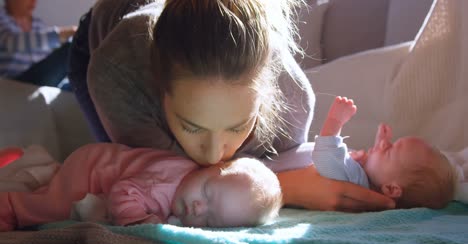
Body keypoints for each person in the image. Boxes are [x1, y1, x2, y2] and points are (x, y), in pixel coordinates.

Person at [68, 0, 395, 212]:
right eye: (191, 126)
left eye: (238, 127)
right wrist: (288, 188)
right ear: (160, 93)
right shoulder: (119, 72)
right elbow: (161, 183)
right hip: (99, 35)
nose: (212, 154)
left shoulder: (291, 102)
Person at [0, 143, 282, 231]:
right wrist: (138, 222)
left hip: (100, 161)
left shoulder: (188, 187)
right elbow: (124, 191)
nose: (198, 207)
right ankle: (10, 205)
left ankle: (45, 173)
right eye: (207, 193)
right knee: (54, 207)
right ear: (210, 166)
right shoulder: (166, 183)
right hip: (90, 169)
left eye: (210, 218)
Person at [312, 96, 458, 209]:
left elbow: (326, 157)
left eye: (389, 150)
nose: (383, 144)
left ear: (390, 188)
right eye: (391, 143)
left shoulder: (356, 182)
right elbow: (379, 168)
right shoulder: (372, 177)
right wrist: (380, 144)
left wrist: (335, 121)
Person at [0, 0, 76, 88]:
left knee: (73, 86)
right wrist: (63, 33)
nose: (33, 1)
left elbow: (49, 59)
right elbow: (11, 42)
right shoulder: (2, 19)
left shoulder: (38, 24)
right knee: (72, 48)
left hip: (39, 82)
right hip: (12, 82)